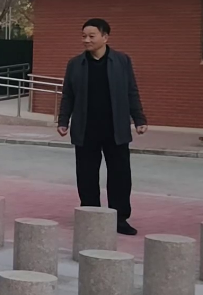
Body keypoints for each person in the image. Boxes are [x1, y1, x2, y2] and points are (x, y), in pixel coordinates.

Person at [57, 18, 147, 236]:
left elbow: (131, 91)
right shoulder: (75, 64)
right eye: (84, 36)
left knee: (120, 175)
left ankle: (119, 218)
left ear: (105, 37)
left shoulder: (122, 61)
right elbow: (68, 95)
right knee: (86, 175)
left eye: (91, 36)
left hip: (115, 128)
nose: (86, 40)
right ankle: (91, 216)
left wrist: (139, 118)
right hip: (86, 128)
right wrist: (63, 121)